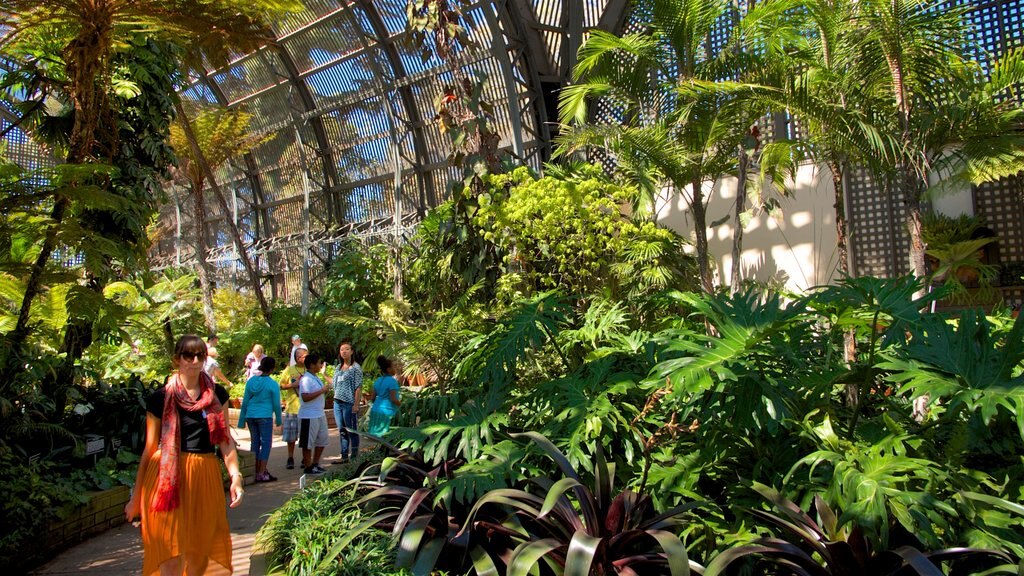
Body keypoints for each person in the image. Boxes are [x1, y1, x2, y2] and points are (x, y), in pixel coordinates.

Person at [124, 334, 243, 576]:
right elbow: (149, 448)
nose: (195, 360)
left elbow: (225, 441)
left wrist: (236, 476)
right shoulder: (160, 398)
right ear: (177, 359)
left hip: (204, 474)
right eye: (189, 355)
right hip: (165, 478)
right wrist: (136, 496)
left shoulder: (217, 394)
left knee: (199, 553)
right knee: (170, 553)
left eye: (200, 354)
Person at [237, 356, 282, 482]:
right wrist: (278, 419)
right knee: (266, 443)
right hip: (265, 416)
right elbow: (276, 404)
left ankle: (255, 470)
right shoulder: (272, 384)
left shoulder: (251, 381)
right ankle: (261, 472)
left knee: (255, 442)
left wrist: (241, 420)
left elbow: (245, 401)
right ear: (272, 369)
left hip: (251, 415)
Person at [298, 352, 330, 474]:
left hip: (319, 413)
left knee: (322, 439)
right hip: (308, 415)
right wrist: (322, 390)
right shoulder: (306, 379)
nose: (320, 365)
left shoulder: (315, 377)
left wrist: (323, 391)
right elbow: (305, 397)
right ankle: (308, 466)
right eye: (318, 363)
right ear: (312, 365)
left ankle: (315, 463)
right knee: (307, 442)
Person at [332, 340, 363, 463]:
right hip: (337, 402)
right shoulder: (338, 368)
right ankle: (344, 456)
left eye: (346, 349)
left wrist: (356, 404)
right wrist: (324, 375)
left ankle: (354, 456)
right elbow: (335, 384)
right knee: (342, 430)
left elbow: (358, 387)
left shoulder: (355, 368)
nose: (344, 352)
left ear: (352, 351)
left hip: (349, 403)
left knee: (352, 429)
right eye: (341, 350)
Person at [277, 348, 307, 469]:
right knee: (291, 437)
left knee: (305, 436)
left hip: (306, 409)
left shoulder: (309, 370)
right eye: (305, 356)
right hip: (292, 408)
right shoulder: (289, 370)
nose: (306, 358)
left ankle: (306, 458)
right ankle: (290, 457)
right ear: (298, 358)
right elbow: (281, 385)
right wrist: (292, 385)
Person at [367, 355, 402, 437]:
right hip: (388, 413)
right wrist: (402, 405)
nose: (395, 369)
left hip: (375, 411)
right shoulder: (392, 381)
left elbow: (372, 398)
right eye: (393, 367)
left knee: (377, 438)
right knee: (387, 438)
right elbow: (393, 399)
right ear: (388, 369)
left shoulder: (377, 381)